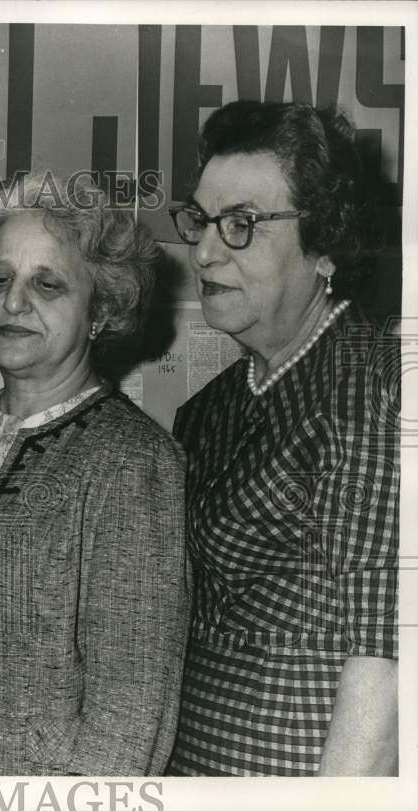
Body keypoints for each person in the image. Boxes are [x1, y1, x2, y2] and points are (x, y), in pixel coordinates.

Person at [167, 101, 399, 776]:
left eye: (242, 224)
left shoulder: (375, 386)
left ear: (325, 243)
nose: (206, 251)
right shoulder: (205, 411)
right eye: (202, 221)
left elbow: (384, 665)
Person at [0, 175, 189, 775]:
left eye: (47, 285)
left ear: (101, 310)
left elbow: (128, 721)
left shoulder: (133, 461)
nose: (14, 304)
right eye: (0, 281)